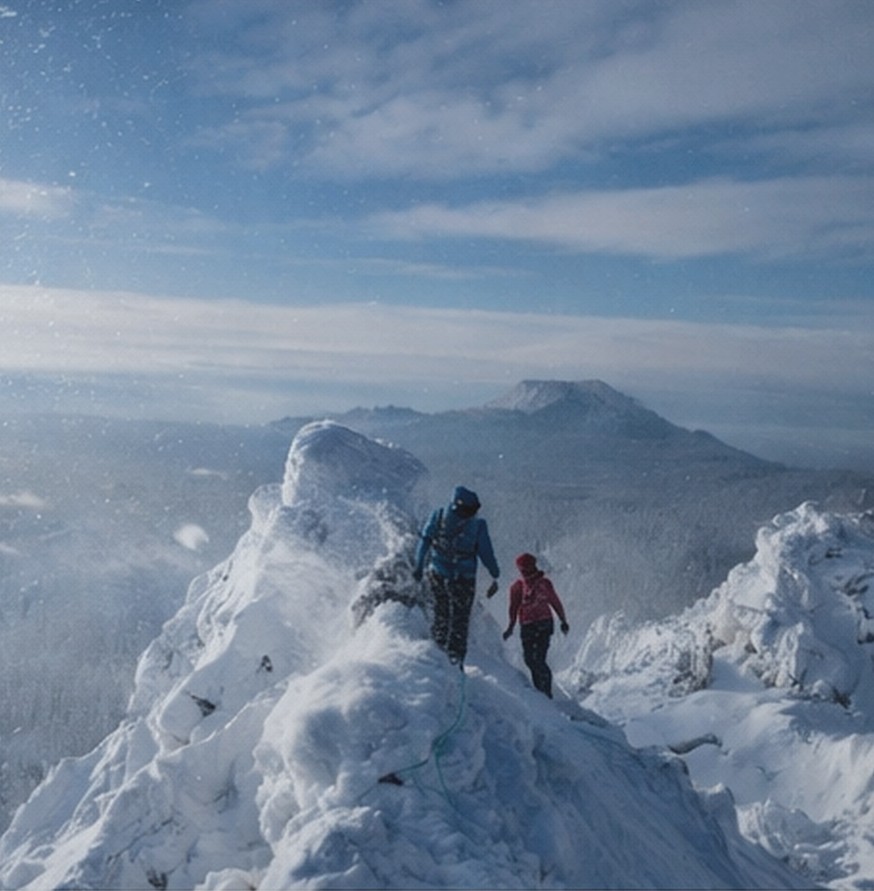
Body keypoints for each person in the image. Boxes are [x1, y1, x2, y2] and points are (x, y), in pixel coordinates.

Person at [413, 486, 500, 667]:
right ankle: (456, 660)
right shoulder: (478, 525)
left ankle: (438, 654)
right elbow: (486, 553)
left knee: (441, 613)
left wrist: (419, 566)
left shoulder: (438, 516)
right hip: (464, 578)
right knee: (460, 620)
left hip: (438, 573)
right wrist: (495, 573)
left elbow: (425, 541)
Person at [502, 553, 568, 698]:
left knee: (537, 659)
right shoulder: (517, 587)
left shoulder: (544, 583)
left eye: (527, 567)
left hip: (543, 623)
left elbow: (554, 601)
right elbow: (513, 608)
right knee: (530, 660)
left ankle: (546, 693)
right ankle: (541, 692)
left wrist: (563, 620)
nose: (525, 571)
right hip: (528, 626)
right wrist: (510, 627)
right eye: (523, 568)